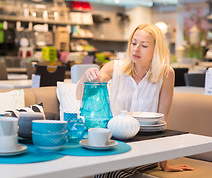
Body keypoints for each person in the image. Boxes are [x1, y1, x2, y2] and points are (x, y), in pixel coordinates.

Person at [76, 24, 194, 176]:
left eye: (144, 45)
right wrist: (87, 76)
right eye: (133, 43)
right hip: (114, 145)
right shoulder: (114, 68)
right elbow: (80, 95)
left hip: (146, 147)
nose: (136, 49)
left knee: (106, 173)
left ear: (156, 49)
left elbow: (163, 120)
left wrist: (164, 163)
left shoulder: (165, 74)